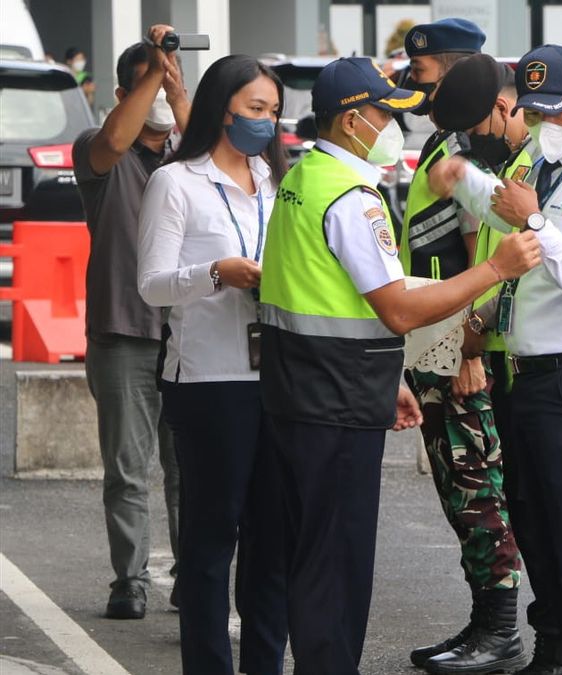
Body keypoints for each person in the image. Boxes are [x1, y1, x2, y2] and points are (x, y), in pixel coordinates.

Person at [257, 56, 541, 675]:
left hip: (300, 394)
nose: (394, 126)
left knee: (307, 555)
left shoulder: (303, 177)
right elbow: (397, 311)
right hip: (336, 403)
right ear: (352, 120)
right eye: (385, 114)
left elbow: (317, 295)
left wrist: (387, 381)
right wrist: (496, 269)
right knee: (337, 562)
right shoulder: (352, 198)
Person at [430, 44, 562, 675]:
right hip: (527, 380)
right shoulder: (547, 170)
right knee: (543, 548)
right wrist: (467, 182)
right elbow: (506, 224)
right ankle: (558, 659)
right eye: (534, 111)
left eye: (557, 111)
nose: (545, 123)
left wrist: (539, 226)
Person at [136, 54, 290, 674]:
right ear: (221, 107)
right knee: (209, 541)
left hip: (274, 378)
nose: (266, 122)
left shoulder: (275, 182)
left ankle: (263, 663)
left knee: (272, 539)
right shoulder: (176, 182)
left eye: (274, 112)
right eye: (256, 109)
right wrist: (215, 274)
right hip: (206, 380)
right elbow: (151, 285)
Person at [398, 19, 526, 674]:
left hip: (458, 341)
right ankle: (482, 620)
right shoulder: (445, 141)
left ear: (452, 70)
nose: (416, 87)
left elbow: (482, 251)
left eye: (423, 76)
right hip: (432, 334)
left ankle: (500, 630)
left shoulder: (478, 149)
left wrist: (467, 347)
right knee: (457, 485)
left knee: (475, 483)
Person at [72, 24, 189, 621]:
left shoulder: (187, 159)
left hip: (190, 337)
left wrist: (177, 86)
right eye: (148, 83)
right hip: (123, 333)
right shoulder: (99, 150)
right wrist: (150, 73)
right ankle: (131, 578)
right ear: (126, 90)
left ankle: (191, 574)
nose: (163, 95)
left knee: (187, 468)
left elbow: (211, 158)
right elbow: (117, 138)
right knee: (127, 467)